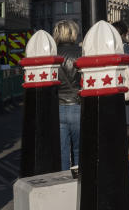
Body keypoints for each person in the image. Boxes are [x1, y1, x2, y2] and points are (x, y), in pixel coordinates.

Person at [54, 20, 81, 172]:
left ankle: (63, 186)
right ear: (73, 33)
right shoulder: (82, 53)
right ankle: (79, 186)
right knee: (79, 152)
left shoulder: (51, 53)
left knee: (62, 154)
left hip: (58, 107)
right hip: (78, 106)